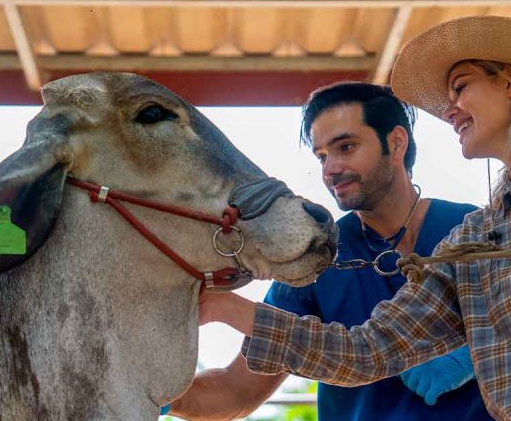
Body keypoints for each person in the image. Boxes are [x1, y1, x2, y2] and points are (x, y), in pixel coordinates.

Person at [199, 15, 511, 420]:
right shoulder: (476, 239)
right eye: (322, 154)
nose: (449, 109)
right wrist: (224, 308)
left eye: (461, 86)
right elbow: (369, 351)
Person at [166, 83, 492, 420]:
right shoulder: (315, 256)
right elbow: (236, 392)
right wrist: (165, 393)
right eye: (321, 156)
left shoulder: (475, 230)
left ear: (396, 142)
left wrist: (471, 354)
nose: (329, 169)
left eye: (346, 147)